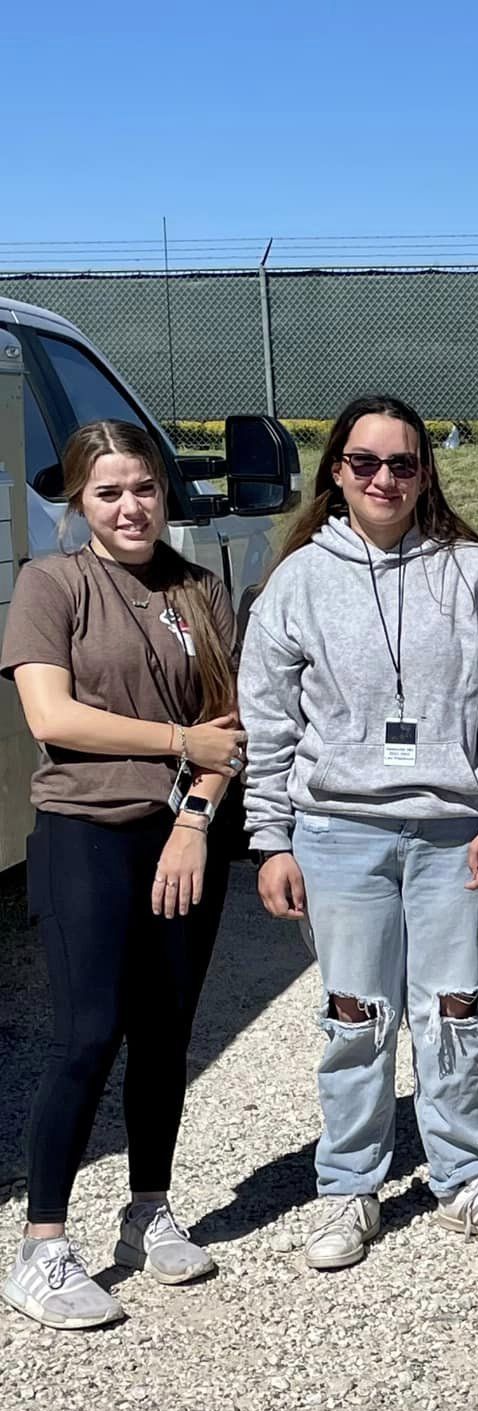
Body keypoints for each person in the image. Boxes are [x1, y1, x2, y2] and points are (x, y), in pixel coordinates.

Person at [241, 394, 478, 1272]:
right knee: (355, 1015)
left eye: (403, 464)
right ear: (337, 471)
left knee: (455, 1010)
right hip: (339, 833)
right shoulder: (299, 581)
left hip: (456, 833)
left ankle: (462, 1176)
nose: (385, 479)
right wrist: (271, 839)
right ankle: (348, 1184)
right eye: (366, 463)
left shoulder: (474, 573)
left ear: (426, 473)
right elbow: (265, 721)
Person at [0, 421, 244, 1329]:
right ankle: (42, 1248)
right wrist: (180, 744)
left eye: (142, 487)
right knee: (88, 1034)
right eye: (108, 493)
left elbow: (232, 726)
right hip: (86, 834)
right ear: (78, 502)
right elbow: (53, 714)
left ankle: (148, 1211)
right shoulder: (51, 583)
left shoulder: (199, 589)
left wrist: (193, 819)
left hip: (182, 838)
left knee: (165, 1034)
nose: (131, 507)